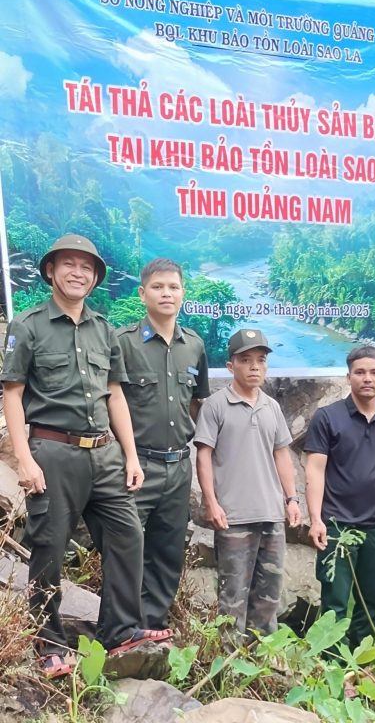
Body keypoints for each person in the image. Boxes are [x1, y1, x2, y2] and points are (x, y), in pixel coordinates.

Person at [0, 235, 172, 679]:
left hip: (104, 452)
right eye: (68, 264)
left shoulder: (103, 329)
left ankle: (119, 630)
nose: (78, 272)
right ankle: (49, 642)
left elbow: (114, 393)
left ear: (95, 277)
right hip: (53, 453)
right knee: (50, 545)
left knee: (127, 536)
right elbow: (13, 394)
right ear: (51, 271)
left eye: (86, 267)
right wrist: (25, 460)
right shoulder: (28, 325)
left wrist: (130, 455)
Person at [115, 258, 209, 631]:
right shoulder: (122, 343)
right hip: (136, 465)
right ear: (143, 294)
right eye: (157, 287)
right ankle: (123, 629)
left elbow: (196, 401)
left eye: (173, 287)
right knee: (127, 549)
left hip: (178, 466)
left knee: (168, 550)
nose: (166, 293)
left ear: (183, 293)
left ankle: (152, 626)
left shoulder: (194, 346)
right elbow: (110, 401)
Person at [304, 345, 375, 651]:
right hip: (337, 526)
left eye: (374, 372)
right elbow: (315, 469)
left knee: (372, 602)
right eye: (360, 372)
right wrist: (316, 520)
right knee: (335, 603)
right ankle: (332, 665)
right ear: (348, 377)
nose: (368, 378)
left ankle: (362, 661)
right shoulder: (328, 418)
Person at [194, 328, 301, 640]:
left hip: (271, 515)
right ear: (231, 366)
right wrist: (211, 502)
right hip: (234, 517)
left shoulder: (272, 407)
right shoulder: (215, 405)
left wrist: (292, 499)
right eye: (246, 360)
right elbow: (204, 456)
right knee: (232, 599)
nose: (255, 366)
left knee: (268, 599)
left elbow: (282, 455)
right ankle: (229, 662)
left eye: (261, 360)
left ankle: (262, 662)